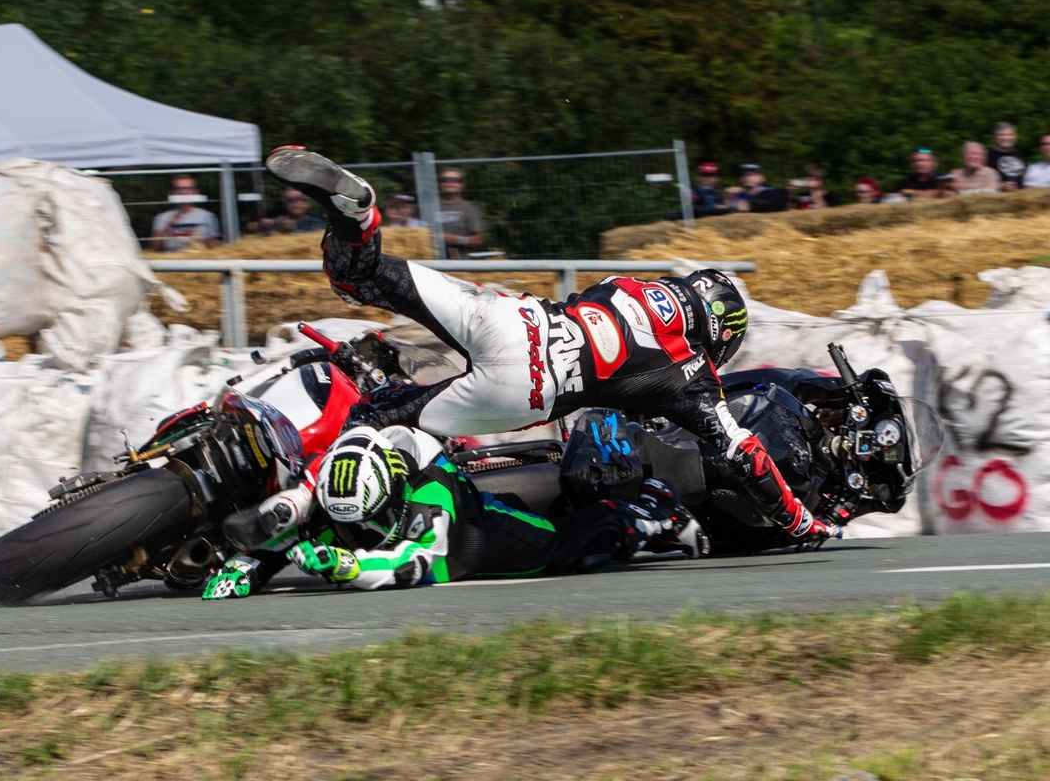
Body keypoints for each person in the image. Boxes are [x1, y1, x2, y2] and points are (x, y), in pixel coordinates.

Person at [261, 146, 841, 549]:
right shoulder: (691, 373)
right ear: (718, 330)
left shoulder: (629, 284)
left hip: (511, 317)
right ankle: (304, 505)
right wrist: (799, 520)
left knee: (359, 277)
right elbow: (745, 456)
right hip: (527, 386)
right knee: (377, 418)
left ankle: (358, 218)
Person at [202, 423, 709, 598]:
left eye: (370, 516)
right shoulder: (341, 478)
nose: (358, 527)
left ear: (394, 489)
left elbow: (412, 564)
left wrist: (348, 564)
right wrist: (246, 568)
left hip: (466, 546)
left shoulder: (431, 494)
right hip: (402, 535)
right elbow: (292, 530)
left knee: (567, 548)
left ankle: (654, 514)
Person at [149, 174, 221, 251]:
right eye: (179, 189)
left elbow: (217, 248)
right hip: (171, 257)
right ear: (172, 192)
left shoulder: (208, 216)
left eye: (189, 188)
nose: (184, 192)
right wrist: (167, 227)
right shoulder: (162, 217)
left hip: (200, 257)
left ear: (196, 192)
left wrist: (201, 240)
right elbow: (153, 248)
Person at [435, 167, 485, 258]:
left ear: (462, 185)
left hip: (460, 262)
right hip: (430, 261)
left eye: (455, 180)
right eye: (445, 180)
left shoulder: (470, 208)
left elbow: (478, 240)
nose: (449, 183)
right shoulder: (427, 207)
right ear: (439, 183)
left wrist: (456, 239)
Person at [256, 187, 326, 235]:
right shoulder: (275, 222)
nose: (297, 203)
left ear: (308, 204)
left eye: (302, 199)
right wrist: (260, 226)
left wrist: (292, 230)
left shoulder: (316, 222)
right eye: (290, 200)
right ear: (284, 204)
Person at [986, 122, 1026, 191]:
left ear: (1015, 137)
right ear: (994, 137)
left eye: (1010, 135)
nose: (1006, 138)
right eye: (1001, 135)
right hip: (998, 196)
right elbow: (977, 179)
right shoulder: (987, 155)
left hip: (1022, 195)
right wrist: (1000, 185)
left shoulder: (1020, 153)